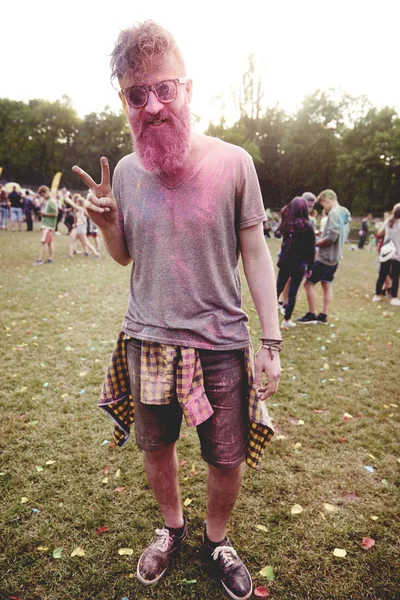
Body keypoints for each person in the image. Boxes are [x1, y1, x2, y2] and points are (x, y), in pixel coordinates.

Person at [72, 20, 281, 600]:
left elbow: (257, 255)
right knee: (156, 446)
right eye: (138, 95)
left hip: (219, 340)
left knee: (225, 454)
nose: (154, 105)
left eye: (164, 89)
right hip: (148, 338)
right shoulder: (130, 172)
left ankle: (217, 540)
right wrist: (111, 225)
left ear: (188, 89)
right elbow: (124, 258)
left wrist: (271, 341)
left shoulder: (235, 162)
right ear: (125, 102)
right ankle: (172, 529)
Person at [297, 189, 351, 324]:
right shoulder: (345, 212)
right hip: (336, 257)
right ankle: (323, 315)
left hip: (325, 257)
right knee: (327, 284)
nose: (323, 208)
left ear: (328, 200)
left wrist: (315, 244)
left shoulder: (334, 213)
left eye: (323, 204)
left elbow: (332, 236)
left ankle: (311, 314)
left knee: (308, 284)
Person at [276, 197, 316, 328]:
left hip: (286, 261)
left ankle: (267, 314)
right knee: (293, 292)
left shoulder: (288, 224)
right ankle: (286, 320)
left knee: (278, 288)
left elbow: (279, 234)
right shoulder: (308, 227)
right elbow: (311, 249)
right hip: (299, 263)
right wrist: (310, 266)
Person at [372, 203, 400, 306]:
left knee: (382, 275)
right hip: (397, 253)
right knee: (396, 276)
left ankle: (377, 294)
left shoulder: (388, 222)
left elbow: (379, 233)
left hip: (386, 251)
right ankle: (394, 297)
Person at [33, 185, 58, 265]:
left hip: (48, 225)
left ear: (45, 192)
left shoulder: (52, 201)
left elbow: (55, 214)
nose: (42, 196)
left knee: (43, 242)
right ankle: (51, 258)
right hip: (47, 224)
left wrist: (44, 214)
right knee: (50, 243)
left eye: (42, 194)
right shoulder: (47, 200)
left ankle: (40, 260)